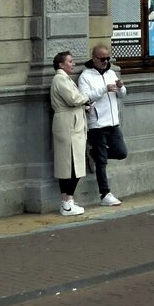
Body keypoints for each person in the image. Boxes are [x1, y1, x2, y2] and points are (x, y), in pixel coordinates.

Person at [78, 45, 127, 207]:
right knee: (102, 162)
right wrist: (104, 89)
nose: (106, 61)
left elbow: (123, 95)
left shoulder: (112, 73)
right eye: (102, 59)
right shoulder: (85, 76)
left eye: (108, 58)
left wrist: (120, 87)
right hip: (97, 123)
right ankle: (105, 193)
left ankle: (93, 154)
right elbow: (85, 97)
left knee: (121, 152)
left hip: (113, 122)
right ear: (94, 58)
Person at [50, 51, 90, 216]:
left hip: (70, 123)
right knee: (71, 163)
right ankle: (66, 202)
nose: (73, 64)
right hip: (68, 125)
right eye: (70, 61)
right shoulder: (60, 79)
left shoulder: (63, 79)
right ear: (61, 64)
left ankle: (68, 201)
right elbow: (74, 99)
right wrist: (86, 97)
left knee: (71, 163)